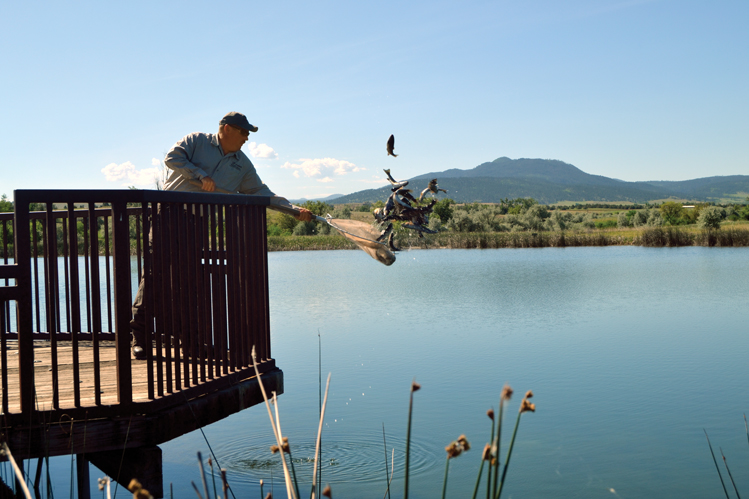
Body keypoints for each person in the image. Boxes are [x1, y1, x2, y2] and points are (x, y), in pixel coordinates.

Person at [130, 111, 312, 359]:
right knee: (154, 277)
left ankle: (191, 344)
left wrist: (293, 210)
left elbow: (260, 192)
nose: (247, 138)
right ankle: (139, 339)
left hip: (196, 223)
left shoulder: (242, 164)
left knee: (190, 283)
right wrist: (200, 174)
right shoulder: (196, 140)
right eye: (244, 132)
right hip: (168, 216)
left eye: (248, 133)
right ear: (227, 129)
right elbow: (172, 158)